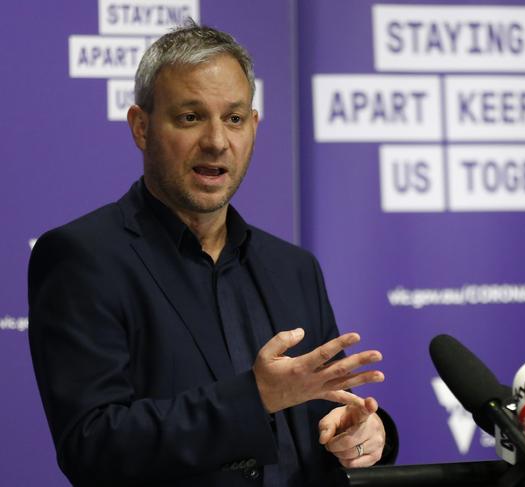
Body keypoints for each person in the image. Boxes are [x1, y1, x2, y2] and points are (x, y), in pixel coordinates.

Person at [28, 21, 395, 487]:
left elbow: (327, 406)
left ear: (254, 127)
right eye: (190, 117)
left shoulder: (294, 268)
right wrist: (254, 397)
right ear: (141, 127)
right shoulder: (82, 257)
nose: (217, 141)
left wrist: (363, 432)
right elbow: (92, 445)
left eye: (234, 118)